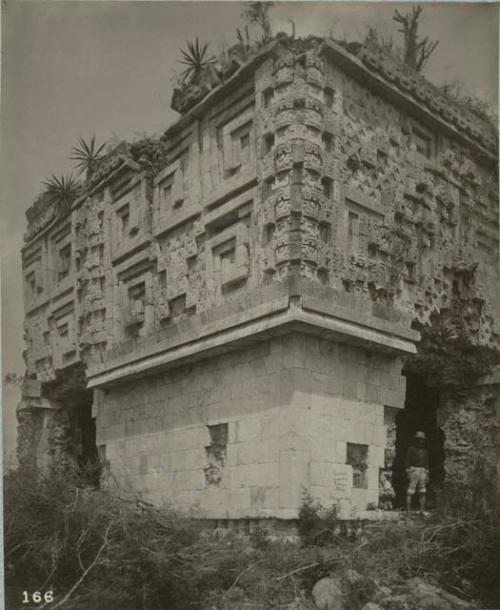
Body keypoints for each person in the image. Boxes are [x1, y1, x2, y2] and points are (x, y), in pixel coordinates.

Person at [405, 431, 429, 512]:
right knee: (410, 491)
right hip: (414, 470)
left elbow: (426, 463)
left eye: (422, 440)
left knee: (423, 491)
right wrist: (408, 471)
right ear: (416, 440)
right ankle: (408, 511)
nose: (420, 441)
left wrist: (427, 473)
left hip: (422, 471)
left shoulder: (425, 451)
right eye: (419, 439)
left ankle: (422, 510)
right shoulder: (411, 449)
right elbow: (407, 461)